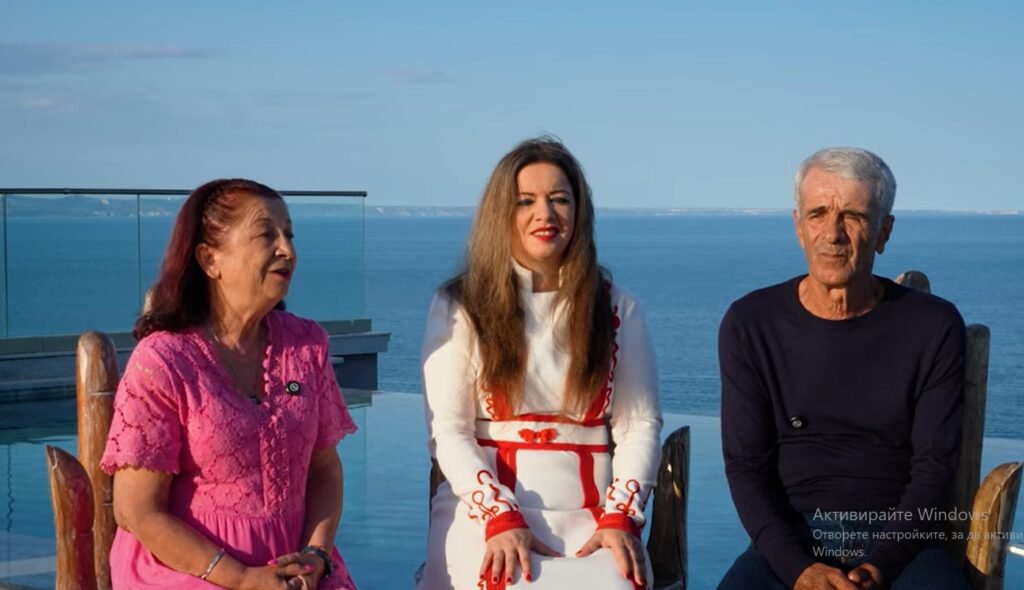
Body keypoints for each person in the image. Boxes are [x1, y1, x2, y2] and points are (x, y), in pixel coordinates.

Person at [416, 137, 663, 590]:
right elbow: (448, 431)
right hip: (481, 514)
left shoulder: (618, 308)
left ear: (579, 212)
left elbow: (639, 425)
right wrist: (499, 516)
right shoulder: (460, 305)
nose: (545, 214)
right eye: (525, 201)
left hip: (595, 520)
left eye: (559, 199)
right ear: (500, 213)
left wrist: (621, 518)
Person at [717, 147, 969, 590]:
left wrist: (880, 564)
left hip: (903, 543)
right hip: (791, 541)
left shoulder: (934, 326)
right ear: (798, 227)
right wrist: (799, 570)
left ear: (884, 232)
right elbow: (745, 466)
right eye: (817, 214)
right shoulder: (751, 324)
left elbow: (936, 467)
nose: (832, 234)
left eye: (853, 216)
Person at [100, 179, 358, 589]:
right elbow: (137, 510)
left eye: (289, 234)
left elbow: (325, 468)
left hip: (294, 570)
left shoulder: (307, 345)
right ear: (210, 259)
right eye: (266, 234)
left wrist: (317, 556)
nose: (287, 250)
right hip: (187, 570)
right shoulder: (163, 361)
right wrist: (240, 578)